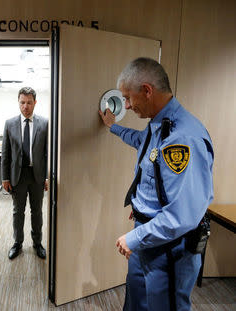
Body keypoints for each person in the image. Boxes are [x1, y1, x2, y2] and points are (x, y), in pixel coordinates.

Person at [99, 57, 213, 311]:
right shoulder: (158, 124)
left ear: (147, 91)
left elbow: (183, 215)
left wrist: (136, 236)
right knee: (138, 302)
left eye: (128, 98)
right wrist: (113, 128)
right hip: (148, 236)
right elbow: (143, 144)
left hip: (170, 247)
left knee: (163, 306)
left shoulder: (183, 138)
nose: (126, 105)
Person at [1, 87, 48, 260]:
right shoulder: (10, 123)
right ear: (18, 102)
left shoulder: (44, 123)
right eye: (22, 102)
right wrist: (5, 177)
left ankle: (37, 243)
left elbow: (47, 153)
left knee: (37, 212)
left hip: (37, 176)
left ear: (35, 103)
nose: (25, 106)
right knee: (17, 212)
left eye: (29, 102)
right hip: (17, 177)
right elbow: (5, 153)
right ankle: (17, 243)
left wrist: (48, 176)